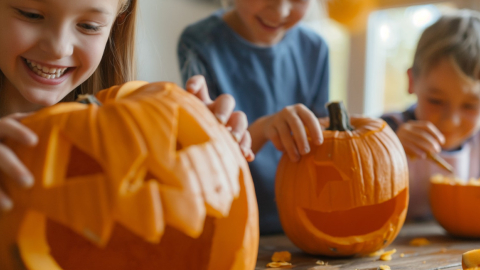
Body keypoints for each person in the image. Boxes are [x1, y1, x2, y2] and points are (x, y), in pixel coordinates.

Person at [0, 0, 252, 212]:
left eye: (89, 26)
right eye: (30, 15)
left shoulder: (126, 128)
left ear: (115, 25)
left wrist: (203, 147)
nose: (58, 48)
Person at [178, 0, 329, 234]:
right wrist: (262, 129)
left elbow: (323, 149)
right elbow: (208, 160)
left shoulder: (316, 49)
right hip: (232, 225)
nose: (280, 11)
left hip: (304, 226)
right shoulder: (199, 42)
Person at [381, 10, 480, 220]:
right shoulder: (384, 131)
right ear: (412, 81)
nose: (451, 121)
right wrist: (389, 151)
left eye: (471, 105)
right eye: (436, 101)